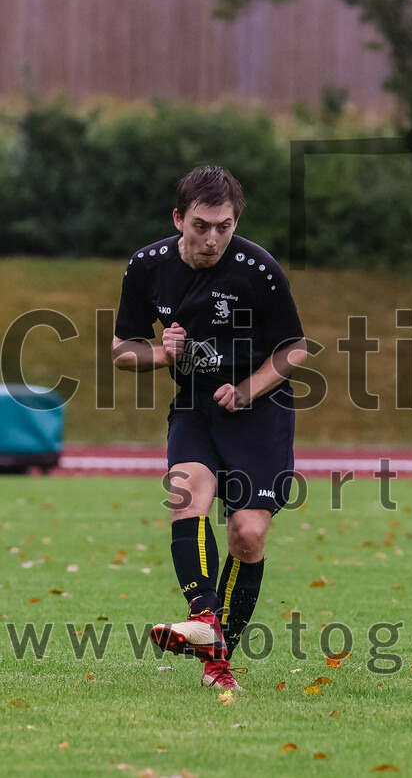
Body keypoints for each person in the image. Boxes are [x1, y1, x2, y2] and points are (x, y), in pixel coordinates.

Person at [112, 166, 307, 690]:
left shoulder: (257, 268)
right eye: (201, 225)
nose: (213, 238)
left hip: (260, 411)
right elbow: (122, 350)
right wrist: (159, 353)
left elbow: (294, 348)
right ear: (179, 219)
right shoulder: (147, 267)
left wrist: (249, 388)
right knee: (186, 495)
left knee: (247, 533)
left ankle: (216, 648)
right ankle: (208, 633)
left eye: (224, 225)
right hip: (195, 405)